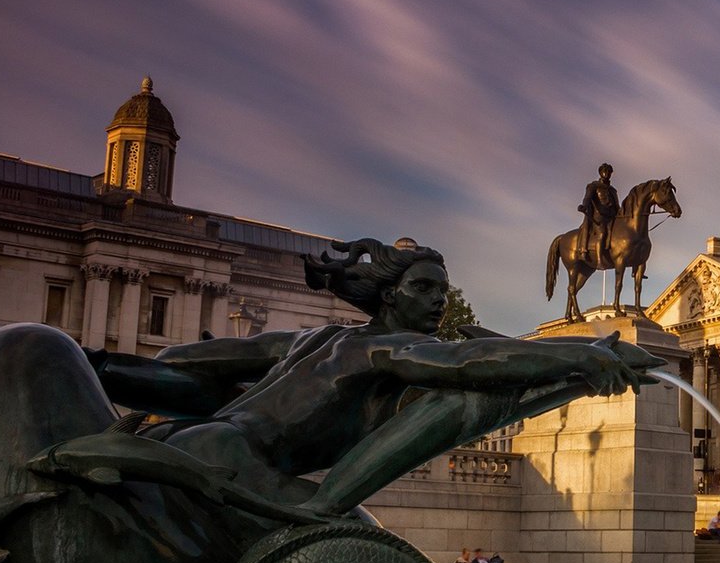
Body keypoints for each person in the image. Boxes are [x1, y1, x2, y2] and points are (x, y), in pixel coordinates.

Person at [45, 237, 661, 521]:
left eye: (443, 294)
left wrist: (98, 368)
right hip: (235, 469)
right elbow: (475, 366)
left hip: (193, 441)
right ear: (388, 295)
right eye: (424, 289)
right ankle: (324, 505)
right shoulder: (384, 352)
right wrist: (582, 357)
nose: (438, 305)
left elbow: (193, 365)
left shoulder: (315, 341)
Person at [578, 163, 619, 267]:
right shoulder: (594, 186)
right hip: (599, 217)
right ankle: (599, 261)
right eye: (604, 171)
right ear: (600, 173)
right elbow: (587, 198)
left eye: (609, 172)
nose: (607, 174)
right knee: (602, 234)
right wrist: (584, 206)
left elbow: (617, 205)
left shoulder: (613, 190)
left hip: (612, 217)